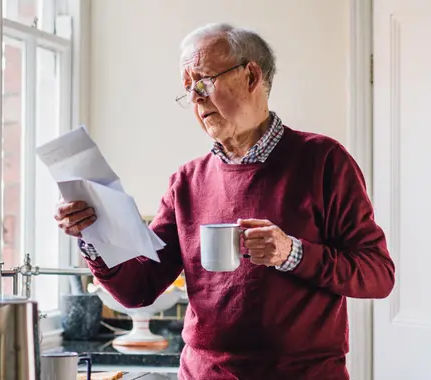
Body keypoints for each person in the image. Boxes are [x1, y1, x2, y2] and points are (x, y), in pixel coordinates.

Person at [54, 22, 395, 380]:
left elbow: (378, 275)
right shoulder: (186, 181)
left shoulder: (324, 160)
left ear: (250, 76)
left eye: (202, 81)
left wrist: (291, 253)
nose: (196, 98)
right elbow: (139, 289)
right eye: (188, 89)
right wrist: (91, 236)